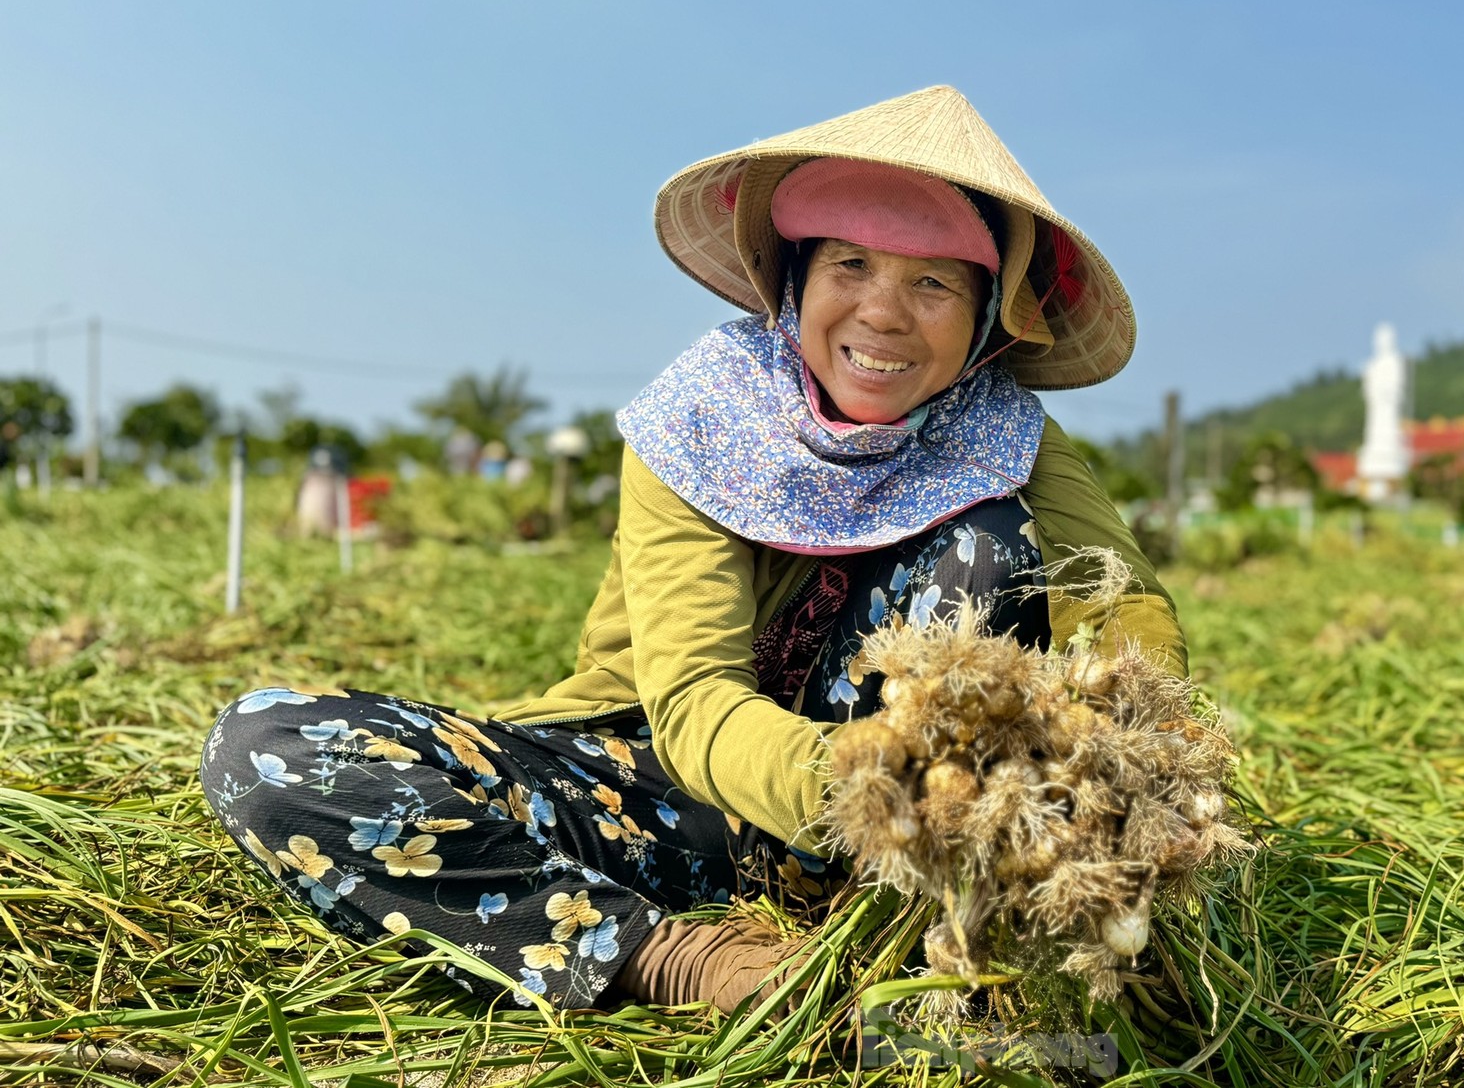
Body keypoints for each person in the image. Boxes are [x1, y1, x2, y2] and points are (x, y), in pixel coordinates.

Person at [199, 86, 1184, 1016]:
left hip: (900, 843)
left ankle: (924, 936)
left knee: (991, 543)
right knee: (269, 749)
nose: (883, 313)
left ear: (982, 321)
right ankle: (670, 955)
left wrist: (1127, 761)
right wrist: (866, 791)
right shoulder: (702, 420)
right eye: (850, 266)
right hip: (666, 787)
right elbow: (692, 703)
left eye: (932, 282)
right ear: (793, 284)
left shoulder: (1008, 437)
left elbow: (1119, 600)